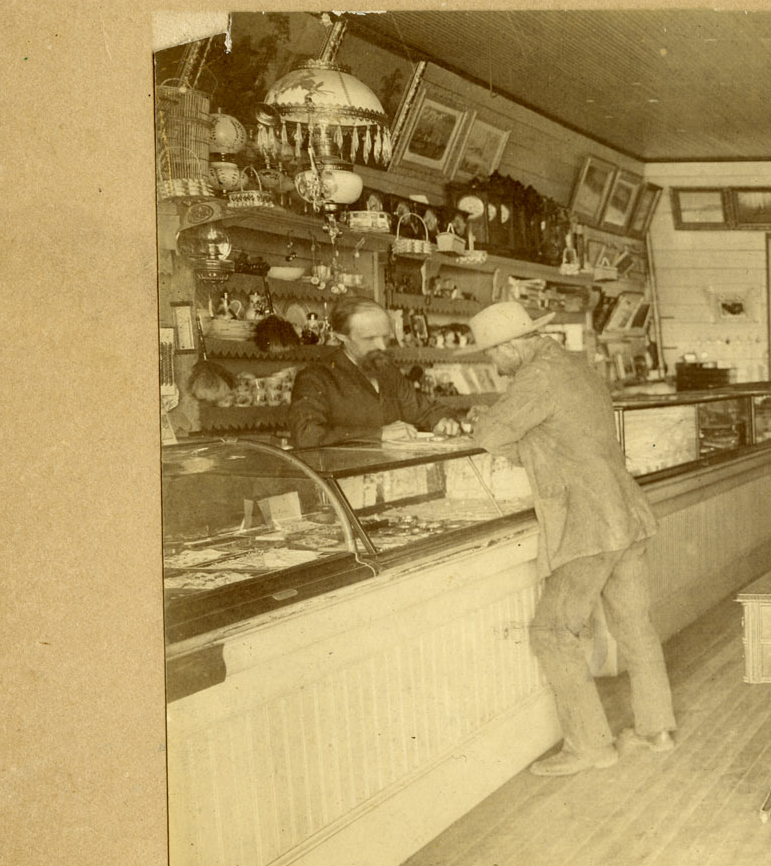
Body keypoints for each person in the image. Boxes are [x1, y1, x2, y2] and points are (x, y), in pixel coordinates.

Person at [464, 301, 674, 774]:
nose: (493, 365)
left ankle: (590, 747)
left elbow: (489, 436)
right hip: (627, 513)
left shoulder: (535, 377)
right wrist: (535, 446)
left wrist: (515, 443)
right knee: (635, 627)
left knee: (552, 632)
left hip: (587, 523)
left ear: (510, 346)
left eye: (491, 355)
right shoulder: (575, 365)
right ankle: (656, 730)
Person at [288, 300, 464, 449]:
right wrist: (379, 434)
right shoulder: (316, 378)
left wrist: (442, 421)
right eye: (370, 338)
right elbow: (306, 435)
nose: (382, 346)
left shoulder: (387, 371)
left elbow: (424, 410)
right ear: (341, 337)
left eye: (385, 337)